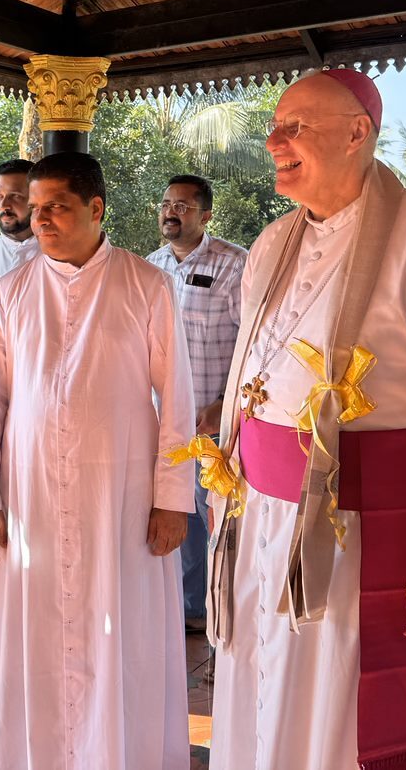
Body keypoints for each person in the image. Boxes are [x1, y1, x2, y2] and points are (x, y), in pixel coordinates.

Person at [204, 70, 406, 770]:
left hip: (360, 536)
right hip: (260, 523)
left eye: (295, 127)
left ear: (357, 133)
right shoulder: (271, 242)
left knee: (337, 718)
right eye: (274, 127)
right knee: (255, 697)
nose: (273, 141)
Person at [0, 152, 196, 770]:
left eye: (56, 208)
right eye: (35, 209)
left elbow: (177, 398)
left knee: (119, 624)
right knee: (36, 626)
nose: (39, 221)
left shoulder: (146, 285)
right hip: (32, 492)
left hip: (119, 495)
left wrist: (174, 498)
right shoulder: (10, 293)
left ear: (96, 208)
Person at [145, 175, 246, 634]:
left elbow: (253, 342)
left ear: (205, 215)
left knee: (218, 520)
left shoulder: (235, 265)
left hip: (214, 424)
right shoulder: (149, 268)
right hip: (164, 424)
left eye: (183, 206)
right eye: (167, 203)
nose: (172, 211)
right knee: (174, 512)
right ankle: (187, 610)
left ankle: (223, 613)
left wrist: (225, 403)